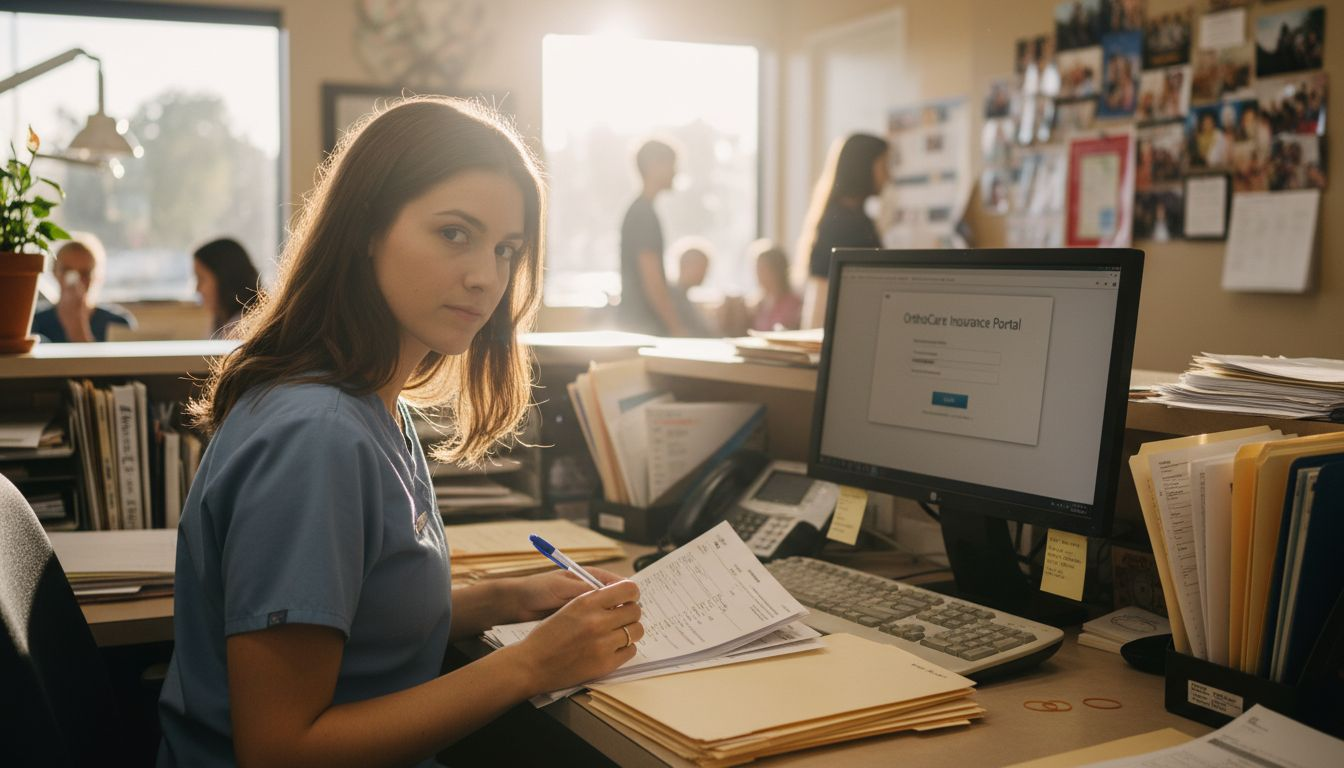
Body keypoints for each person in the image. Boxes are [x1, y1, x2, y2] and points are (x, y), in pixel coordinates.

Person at [158, 97, 644, 767]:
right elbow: (280, 751)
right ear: (365, 228)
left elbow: (361, 614)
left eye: (507, 249)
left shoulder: (371, 400)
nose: (486, 278)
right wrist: (529, 665)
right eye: (454, 233)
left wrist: (507, 597)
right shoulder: (318, 436)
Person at [796, 133, 889, 328]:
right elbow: (822, 294)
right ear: (864, 167)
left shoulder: (859, 219)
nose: (888, 176)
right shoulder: (841, 223)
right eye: (884, 166)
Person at [618, 139, 684, 336]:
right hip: (643, 327)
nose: (675, 172)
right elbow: (652, 280)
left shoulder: (641, 211)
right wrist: (677, 328)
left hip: (637, 324)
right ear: (654, 166)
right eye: (671, 165)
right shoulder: (643, 215)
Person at [30, 234, 135, 342]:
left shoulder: (117, 323)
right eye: (67, 271)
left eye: (85, 273)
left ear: (98, 276)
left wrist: (78, 329)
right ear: (54, 271)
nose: (76, 281)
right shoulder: (33, 322)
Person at [192, 237, 260, 338]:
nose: (197, 289)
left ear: (224, 278)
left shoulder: (248, 329)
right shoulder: (221, 320)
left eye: (201, 279)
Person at [749, 241, 801, 333]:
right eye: (757, 269)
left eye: (762, 269)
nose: (757, 274)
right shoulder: (759, 305)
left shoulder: (793, 304)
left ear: (777, 270)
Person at [669, 239, 716, 337]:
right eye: (703, 267)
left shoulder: (686, 298)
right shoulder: (673, 298)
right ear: (686, 265)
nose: (705, 273)